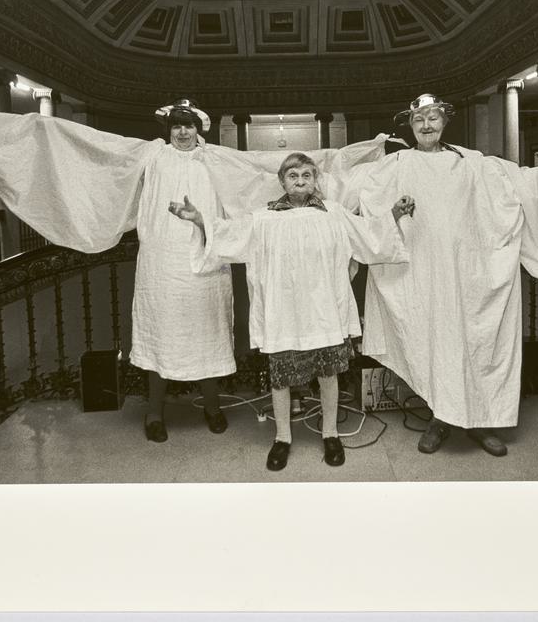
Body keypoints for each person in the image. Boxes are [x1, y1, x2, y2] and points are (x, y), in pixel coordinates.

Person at [0, 99, 236, 443]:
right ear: (167, 130)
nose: (183, 132)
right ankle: (155, 413)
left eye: (189, 125)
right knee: (161, 338)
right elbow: (84, 141)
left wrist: (315, 164)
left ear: (199, 128)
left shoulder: (215, 159)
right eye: (176, 126)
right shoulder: (151, 155)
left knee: (206, 334)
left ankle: (213, 407)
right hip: (161, 267)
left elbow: (259, 169)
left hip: (206, 266)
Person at [352, 93, 538, 457]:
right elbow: (350, 186)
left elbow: (526, 183)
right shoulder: (395, 164)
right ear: (411, 126)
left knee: (476, 342)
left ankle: (480, 422)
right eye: (418, 120)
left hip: (472, 271)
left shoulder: (473, 163)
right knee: (436, 343)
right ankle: (441, 417)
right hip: (423, 273)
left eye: (432, 118)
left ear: (445, 121)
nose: (426, 125)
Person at [169, 152, 415, 471]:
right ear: (282, 181)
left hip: (323, 311)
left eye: (306, 175)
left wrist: (394, 213)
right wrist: (200, 219)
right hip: (283, 313)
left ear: (315, 180)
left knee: (329, 374)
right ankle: (282, 437)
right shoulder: (264, 218)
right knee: (281, 378)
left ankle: (330, 434)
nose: (300, 181)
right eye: (293, 176)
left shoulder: (334, 214)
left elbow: (370, 235)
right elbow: (229, 235)